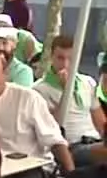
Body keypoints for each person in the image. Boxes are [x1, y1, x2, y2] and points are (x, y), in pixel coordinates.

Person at [34, 34, 104, 166]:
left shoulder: (87, 82)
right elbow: (50, 126)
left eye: (70, 59)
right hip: (71, 146)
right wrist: (66, 90)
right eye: (60, 58)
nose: (65, 64)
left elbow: (100, 120)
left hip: (95, 140)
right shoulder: (39, 89)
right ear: (51, 57)